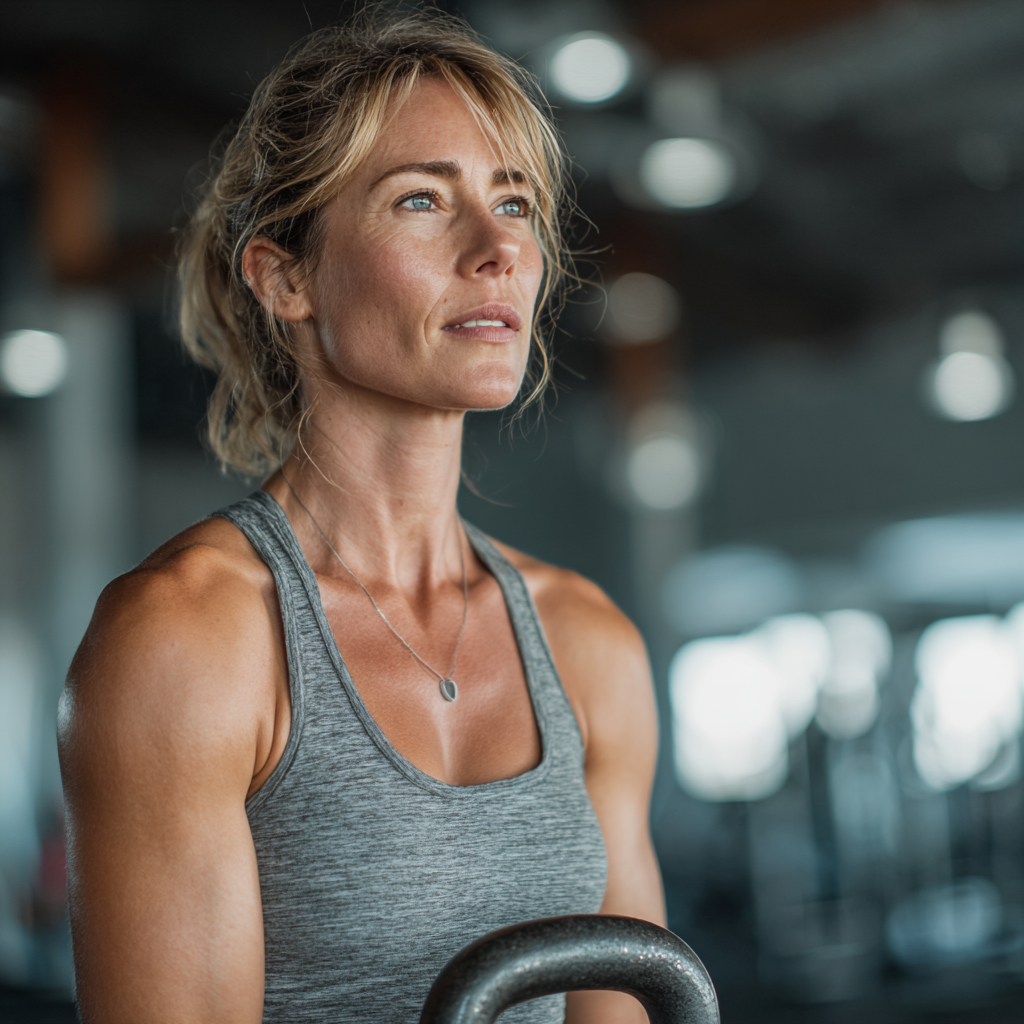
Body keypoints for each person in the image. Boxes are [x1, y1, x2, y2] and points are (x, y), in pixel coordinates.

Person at [57, 11, 663, 1024]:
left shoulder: (589, 642)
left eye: (514, 202)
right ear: (285, 277)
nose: (498, 249)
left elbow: (631, 1001)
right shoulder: (188, 640)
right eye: (423, 198)